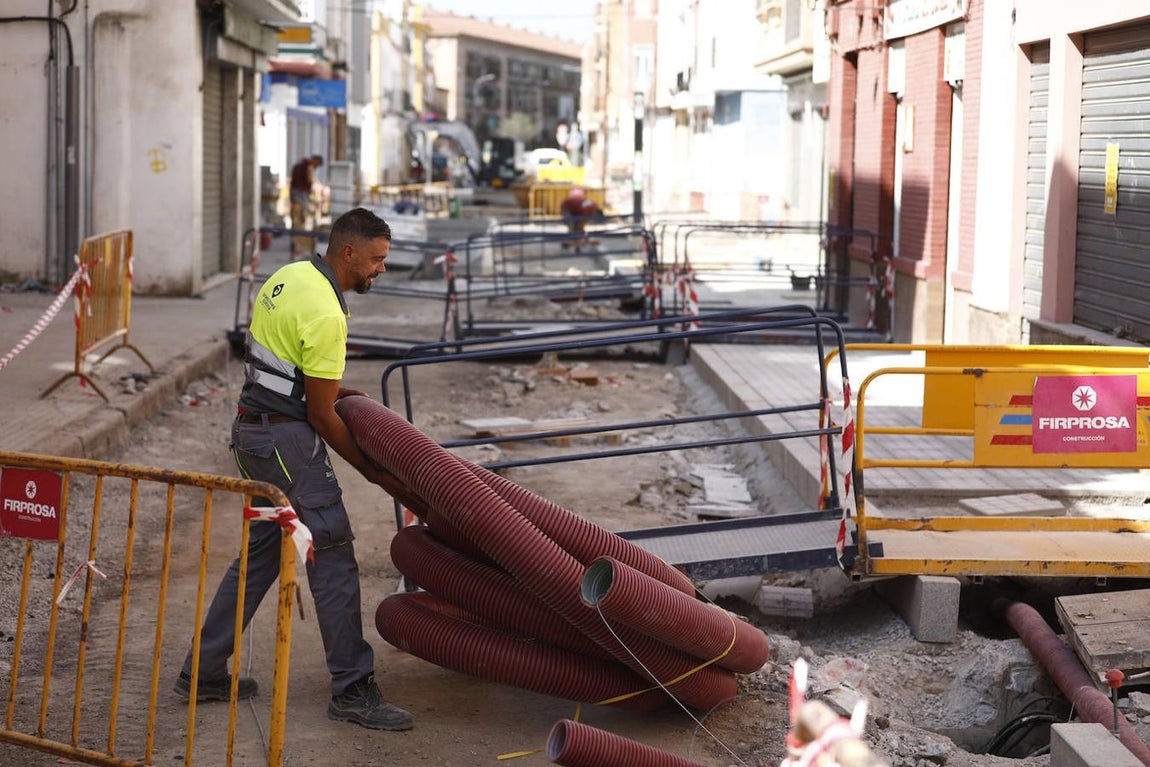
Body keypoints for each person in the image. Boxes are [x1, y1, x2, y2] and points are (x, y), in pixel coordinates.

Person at [175, 207, 413, 732]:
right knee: (330, 550)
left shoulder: (290, 276)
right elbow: (321, 417)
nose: (380, 270)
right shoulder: (328, 312)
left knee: (260, 555)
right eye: (376, 260)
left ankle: (204, 671)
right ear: (347, 251)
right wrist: (372, 471)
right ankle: (353, 688)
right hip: (286, 442)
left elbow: (285, 368)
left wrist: (333, 393)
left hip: (252, 433)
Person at [289, 154, 324, 259]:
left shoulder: (298, 165)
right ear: (315, 161)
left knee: (296, 224)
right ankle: (303, 249)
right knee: (304, 223)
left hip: (295, 197)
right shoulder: (308, 167)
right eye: (317, 165)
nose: (316, 168)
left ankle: (297, 250)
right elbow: (309, 181)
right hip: (302, 197)